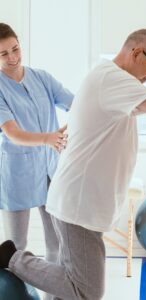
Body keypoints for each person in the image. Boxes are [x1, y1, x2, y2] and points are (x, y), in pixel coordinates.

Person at [0, 29, 146, 299]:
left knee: (71, 279)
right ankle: (13, 257)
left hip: (81, 203)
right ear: (136, 53)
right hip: (78, 206)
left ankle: (15, 258)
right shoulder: (112, 79)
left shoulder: (112, 83)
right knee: (86, 290)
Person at [0, 21, 73, 291]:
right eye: (4, 54)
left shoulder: (42, 77)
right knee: (15, 247)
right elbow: (12, 132)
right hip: (16, 175)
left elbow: (74, 103)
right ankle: (18, 296)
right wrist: (48, 138)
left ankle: (51, 295)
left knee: (56, 243)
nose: (13, 58)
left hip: (49, 172)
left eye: (15, 49)